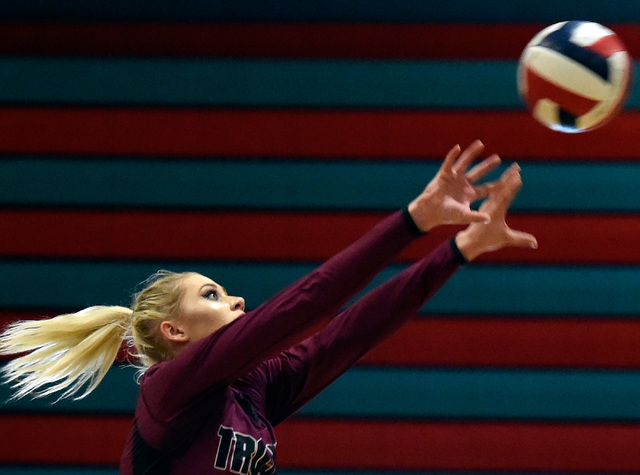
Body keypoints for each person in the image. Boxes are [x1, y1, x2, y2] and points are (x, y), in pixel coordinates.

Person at [0, 140, 536, 474]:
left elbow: (348, 333)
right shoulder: (171, 391)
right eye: (210, 295)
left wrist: (457, 251)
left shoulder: (254, 388)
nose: (235, 298)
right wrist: (412, 220)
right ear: (174, 331)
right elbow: (305, 305)